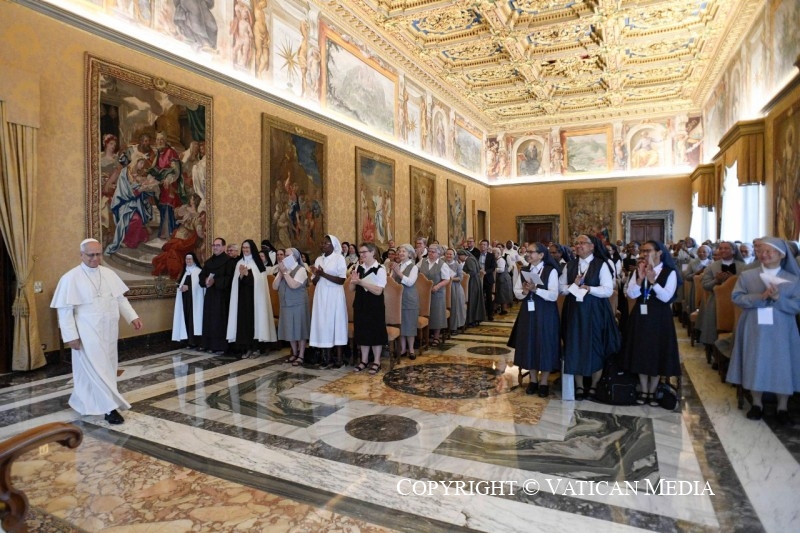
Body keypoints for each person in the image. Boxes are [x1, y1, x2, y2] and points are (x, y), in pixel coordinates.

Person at [50, 238, 143, 425]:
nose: (95, 258)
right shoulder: (70, 278)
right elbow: (65, 311)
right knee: (96, 369)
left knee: (107, 368)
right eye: (90, 255)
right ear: (81, 255)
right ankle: (110, 409)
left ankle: (85, 403)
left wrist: (133, 317)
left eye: (98, 254)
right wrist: (71, 337)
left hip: (109, 329)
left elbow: (120, 299)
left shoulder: (109, 274)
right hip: (87, 332)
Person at [726, 238, 800, 424]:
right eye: (761, 251)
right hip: (755, 326)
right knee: (755, 362)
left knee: (782, 364)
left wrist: (778, 298)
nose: (764, 255)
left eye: (769, 251)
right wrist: (760, 296)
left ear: (781, 255)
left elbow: (797, 306)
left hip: (782, 329)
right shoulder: (747, 275)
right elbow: (736, 298)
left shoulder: (793, 279)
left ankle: (782, 406)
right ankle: (757, 403)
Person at [559, 234, 620, 400]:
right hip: (574, 311)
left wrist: (589, 289)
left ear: (592, 246)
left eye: (583, 243)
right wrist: (573, 285)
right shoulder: (570, 265)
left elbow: (608, 289)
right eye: (576, 243)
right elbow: (560, 288)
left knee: (595, 346)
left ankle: (594, 385)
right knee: (574, 345)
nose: (578, 246)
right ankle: (579, 386)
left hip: (595, 310)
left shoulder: (602, 264)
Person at [622, 241, 682, 406]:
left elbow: (666, 297)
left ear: (659, 253)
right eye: (642, 251)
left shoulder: (669, 272)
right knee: (641, 351)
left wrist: (653, 282)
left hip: (659, 317)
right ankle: (643, 389)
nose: (643, 254)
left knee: (656, 352)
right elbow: (631, 294)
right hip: (640, 316)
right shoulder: (638, 270)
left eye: (647, 251)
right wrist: (640, 279)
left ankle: (653, 390)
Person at [507, 243, 560, 397]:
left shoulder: (550, 271)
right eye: (528, 252)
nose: (528, 254)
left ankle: (544, 382)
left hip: (546, 312)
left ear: (541, 255)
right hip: (528, 312)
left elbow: (553, 295)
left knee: (545, 344)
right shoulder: (525, 270)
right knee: (530, 342)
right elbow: (517, 292)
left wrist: (536, 290)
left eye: (532, 252)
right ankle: (533, 380)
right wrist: (524, 291)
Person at [226, 239, 277, 358]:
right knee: (244, 323)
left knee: (256, 322)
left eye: (247, 248)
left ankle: (256, 348)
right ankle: (247, 348)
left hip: (255, 300)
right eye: (243, 247)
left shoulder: (257, 263)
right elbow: (236, 283)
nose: (245, 250)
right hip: (242, 300)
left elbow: (259, 283)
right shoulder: (239, 263)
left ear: (252, 249)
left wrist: (247, 275)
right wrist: (241, 275)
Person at [697, 241, 745, 351]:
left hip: (737, 303)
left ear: (733, 251)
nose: (723, 250)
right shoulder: (712, 267)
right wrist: (716, 280)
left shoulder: (743, 267)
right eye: (721, 248)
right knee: (714, 327)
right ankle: (714, 350)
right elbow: (705, 285)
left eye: (726, 248)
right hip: (716, 302)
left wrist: (733, 279)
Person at [310, 235, 348, 368]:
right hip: (321, 294)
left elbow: (341, 280)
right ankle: (325, 358)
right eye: (322, 243)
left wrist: (323, 274)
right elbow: (315, 282)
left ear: (333, 245)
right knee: (322, 324)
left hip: (334, 295)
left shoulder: (339, 258)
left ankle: (339, 359)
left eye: (326, 243)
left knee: (336, 324)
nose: (323, 245)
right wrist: (316, 274)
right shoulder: (318, 259)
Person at [350, 243, 388, 375]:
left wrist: (361, 282)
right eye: (360, 252)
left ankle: (376, 361)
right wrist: (353, 281)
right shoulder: (358, 267)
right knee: (362, 332)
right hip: (360, 304)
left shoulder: (380, 269)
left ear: (372, 252)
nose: (361, 255)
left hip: (375, 305)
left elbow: (378, 291)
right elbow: (351, 289)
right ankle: (364, 360)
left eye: (364, 252)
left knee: (375, 332)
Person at [272, 248, 311, 366]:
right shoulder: (283, 269)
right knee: (289, 329)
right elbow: (274, 286)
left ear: (295, 257)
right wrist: (280, 273)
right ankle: (294, 353)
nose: (284, 257)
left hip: (298, 304)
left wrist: (285, 273)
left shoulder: (301, 270)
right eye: (285, 255)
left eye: (287, 255)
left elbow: (293, 285)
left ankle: (301, 355)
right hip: (285, 304)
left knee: (300, 329)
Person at [199, 238, 235, 354]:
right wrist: (205, 280)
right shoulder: (209, 262)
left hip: (222, 296)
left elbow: (229, 278)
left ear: (223, 247)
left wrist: (215, 281)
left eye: (218, 245)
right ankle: (208, 344)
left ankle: (219, 345)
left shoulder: (229, 261)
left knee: (219, 320)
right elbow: (202, 276)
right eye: (214, 245)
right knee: (209, 319)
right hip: (210, 295)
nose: (215, 247)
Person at [419, 244, 452, 346]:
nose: (430, 253)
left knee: (436, 314)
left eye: (433, 252)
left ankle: (436, 337)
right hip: (424, 293)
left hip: (437, 292)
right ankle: (425, 336)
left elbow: (446, 279)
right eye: (429, 251)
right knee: (424, 313)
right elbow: (415, 271)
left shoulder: (442, 264)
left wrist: (437, 286)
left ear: (439, 253)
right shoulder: (423, 261)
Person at [391, 244, 419, 359]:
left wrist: (398, 273)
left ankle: (411, 350)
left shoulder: (414, 267)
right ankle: (402, 349)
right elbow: (391, 281)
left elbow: (410, 282)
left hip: (409, 297)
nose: (401, 253)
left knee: (410, 323)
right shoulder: (398, 265)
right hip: (398, 298)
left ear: (410, 254)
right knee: (401, 324)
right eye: (400, 251)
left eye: (404, 251)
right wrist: (393, 273)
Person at [172, 252, 204, 348]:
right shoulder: (185, 272)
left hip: (195, 302)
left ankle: (194, 341)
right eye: (187, 259)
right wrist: (180, 287)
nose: (188, 261)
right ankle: (186, 341)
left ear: (194, 260)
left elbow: (201, 287)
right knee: (185, 319)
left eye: (190, 259)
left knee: (193, 320)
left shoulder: (198, 271)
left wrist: (189, 288)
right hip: (185, 301)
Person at [458, 249, 486, 326]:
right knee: (475, 300)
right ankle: (475, 319)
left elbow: (472, 272)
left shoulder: (469, 260)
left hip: (472, 282)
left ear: (463, 255)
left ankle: (472, 320)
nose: (459, 258)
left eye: (459, 256)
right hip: (475, 281)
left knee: (472, 300)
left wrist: (464, 273)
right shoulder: (472, 258)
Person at [445, 248, 466, 335]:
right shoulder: (442, 264)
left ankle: (454, 327)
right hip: (444, 287)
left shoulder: (458, 265)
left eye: (450, 254)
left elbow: (460, 278)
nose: (449, 256)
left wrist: (451, 279)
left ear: (454, 255)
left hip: (455, 287)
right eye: (447, 254)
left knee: (454, 307)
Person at [478, 239, 497, 321]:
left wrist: (485, 272)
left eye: (484, 244)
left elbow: (493, 267)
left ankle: (490, 314)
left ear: (487, 246)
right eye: (481, 244)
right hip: (478, 278)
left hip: (488, 278)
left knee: (489, 297)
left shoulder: (491, 255)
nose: (483, 246)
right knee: (479, 297)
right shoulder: (477, 255)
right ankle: (480, 315)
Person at [493, 247, 513, 315]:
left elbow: (501, 269)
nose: (493, 254)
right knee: (499, 294)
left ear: (498, 253)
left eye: (494, 253)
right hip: (500, 279)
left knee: (503, 294)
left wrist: (493, 269)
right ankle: (495, 309)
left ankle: (504, 310)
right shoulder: (496, 259)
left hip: (503, 279)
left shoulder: (501, 260)